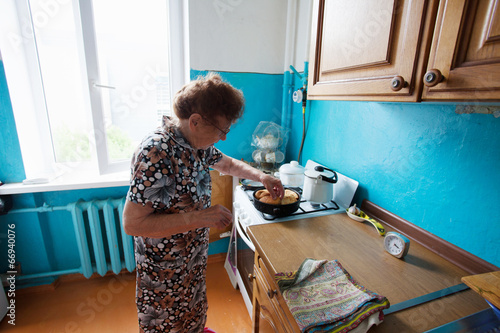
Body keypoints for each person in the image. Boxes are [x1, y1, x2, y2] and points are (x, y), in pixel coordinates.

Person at [122, 72, 284, 333]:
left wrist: (262, 176)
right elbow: (132, 223)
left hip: (193, 258)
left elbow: (227, 163)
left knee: (194, 312)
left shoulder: (195, 143)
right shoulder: (157, 151)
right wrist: (200, 217)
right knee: (167, 324)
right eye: (221, 130)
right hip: (165, 268)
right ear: (195, 121)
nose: (223, 138)